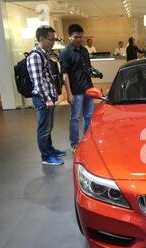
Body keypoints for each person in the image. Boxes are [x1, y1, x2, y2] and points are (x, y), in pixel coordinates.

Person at [27, 25, 66, 165]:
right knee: (43, 129)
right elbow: (37, 81)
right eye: (51, 39)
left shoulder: (44, 54)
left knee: (48, 127)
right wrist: (47, 98)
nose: (53, 42)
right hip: (43, 99)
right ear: (42, 39)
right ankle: (46, 157)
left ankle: (50, 149)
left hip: (48, 97)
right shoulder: (35, 56)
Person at [59, 24, 94, 154]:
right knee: (75, 118)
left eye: (80, 37)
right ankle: (74, 144)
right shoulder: (66, 52)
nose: (79, 39)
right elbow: (65, 74)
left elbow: (87, 69)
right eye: (75, 37)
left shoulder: (84, 50)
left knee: (88, 116)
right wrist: (69, 93)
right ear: (69, 37)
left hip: (88, 89)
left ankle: (87, 140)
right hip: (76, 91)